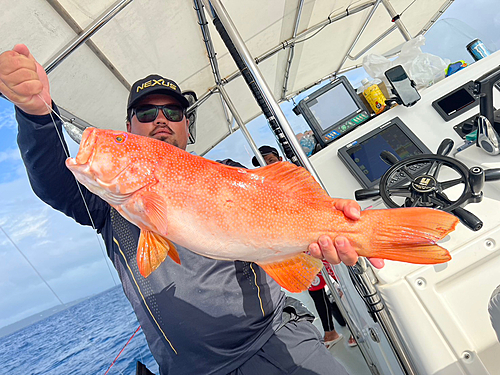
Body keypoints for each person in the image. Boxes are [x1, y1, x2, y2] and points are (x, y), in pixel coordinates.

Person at [0, 44, 376, 375]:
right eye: (145, 114)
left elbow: (281, 204)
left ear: (186, 126)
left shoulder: (233, 171)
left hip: (276, 339)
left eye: (173, 112)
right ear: (129, 128)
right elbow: (52, 181)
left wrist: (333, 221)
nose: (160, 119)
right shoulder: (108, 205)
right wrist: (34, 113)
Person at [255, 145, 357, 349]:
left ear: (279, 158)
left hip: (321, 238)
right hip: (299, 247)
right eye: (263, 163)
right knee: (316, 291)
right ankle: (330, 332)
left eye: (271, 159)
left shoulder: (296, 179)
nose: (269, 165)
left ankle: (356, 329)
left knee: (346, 284)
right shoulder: (262, 192)